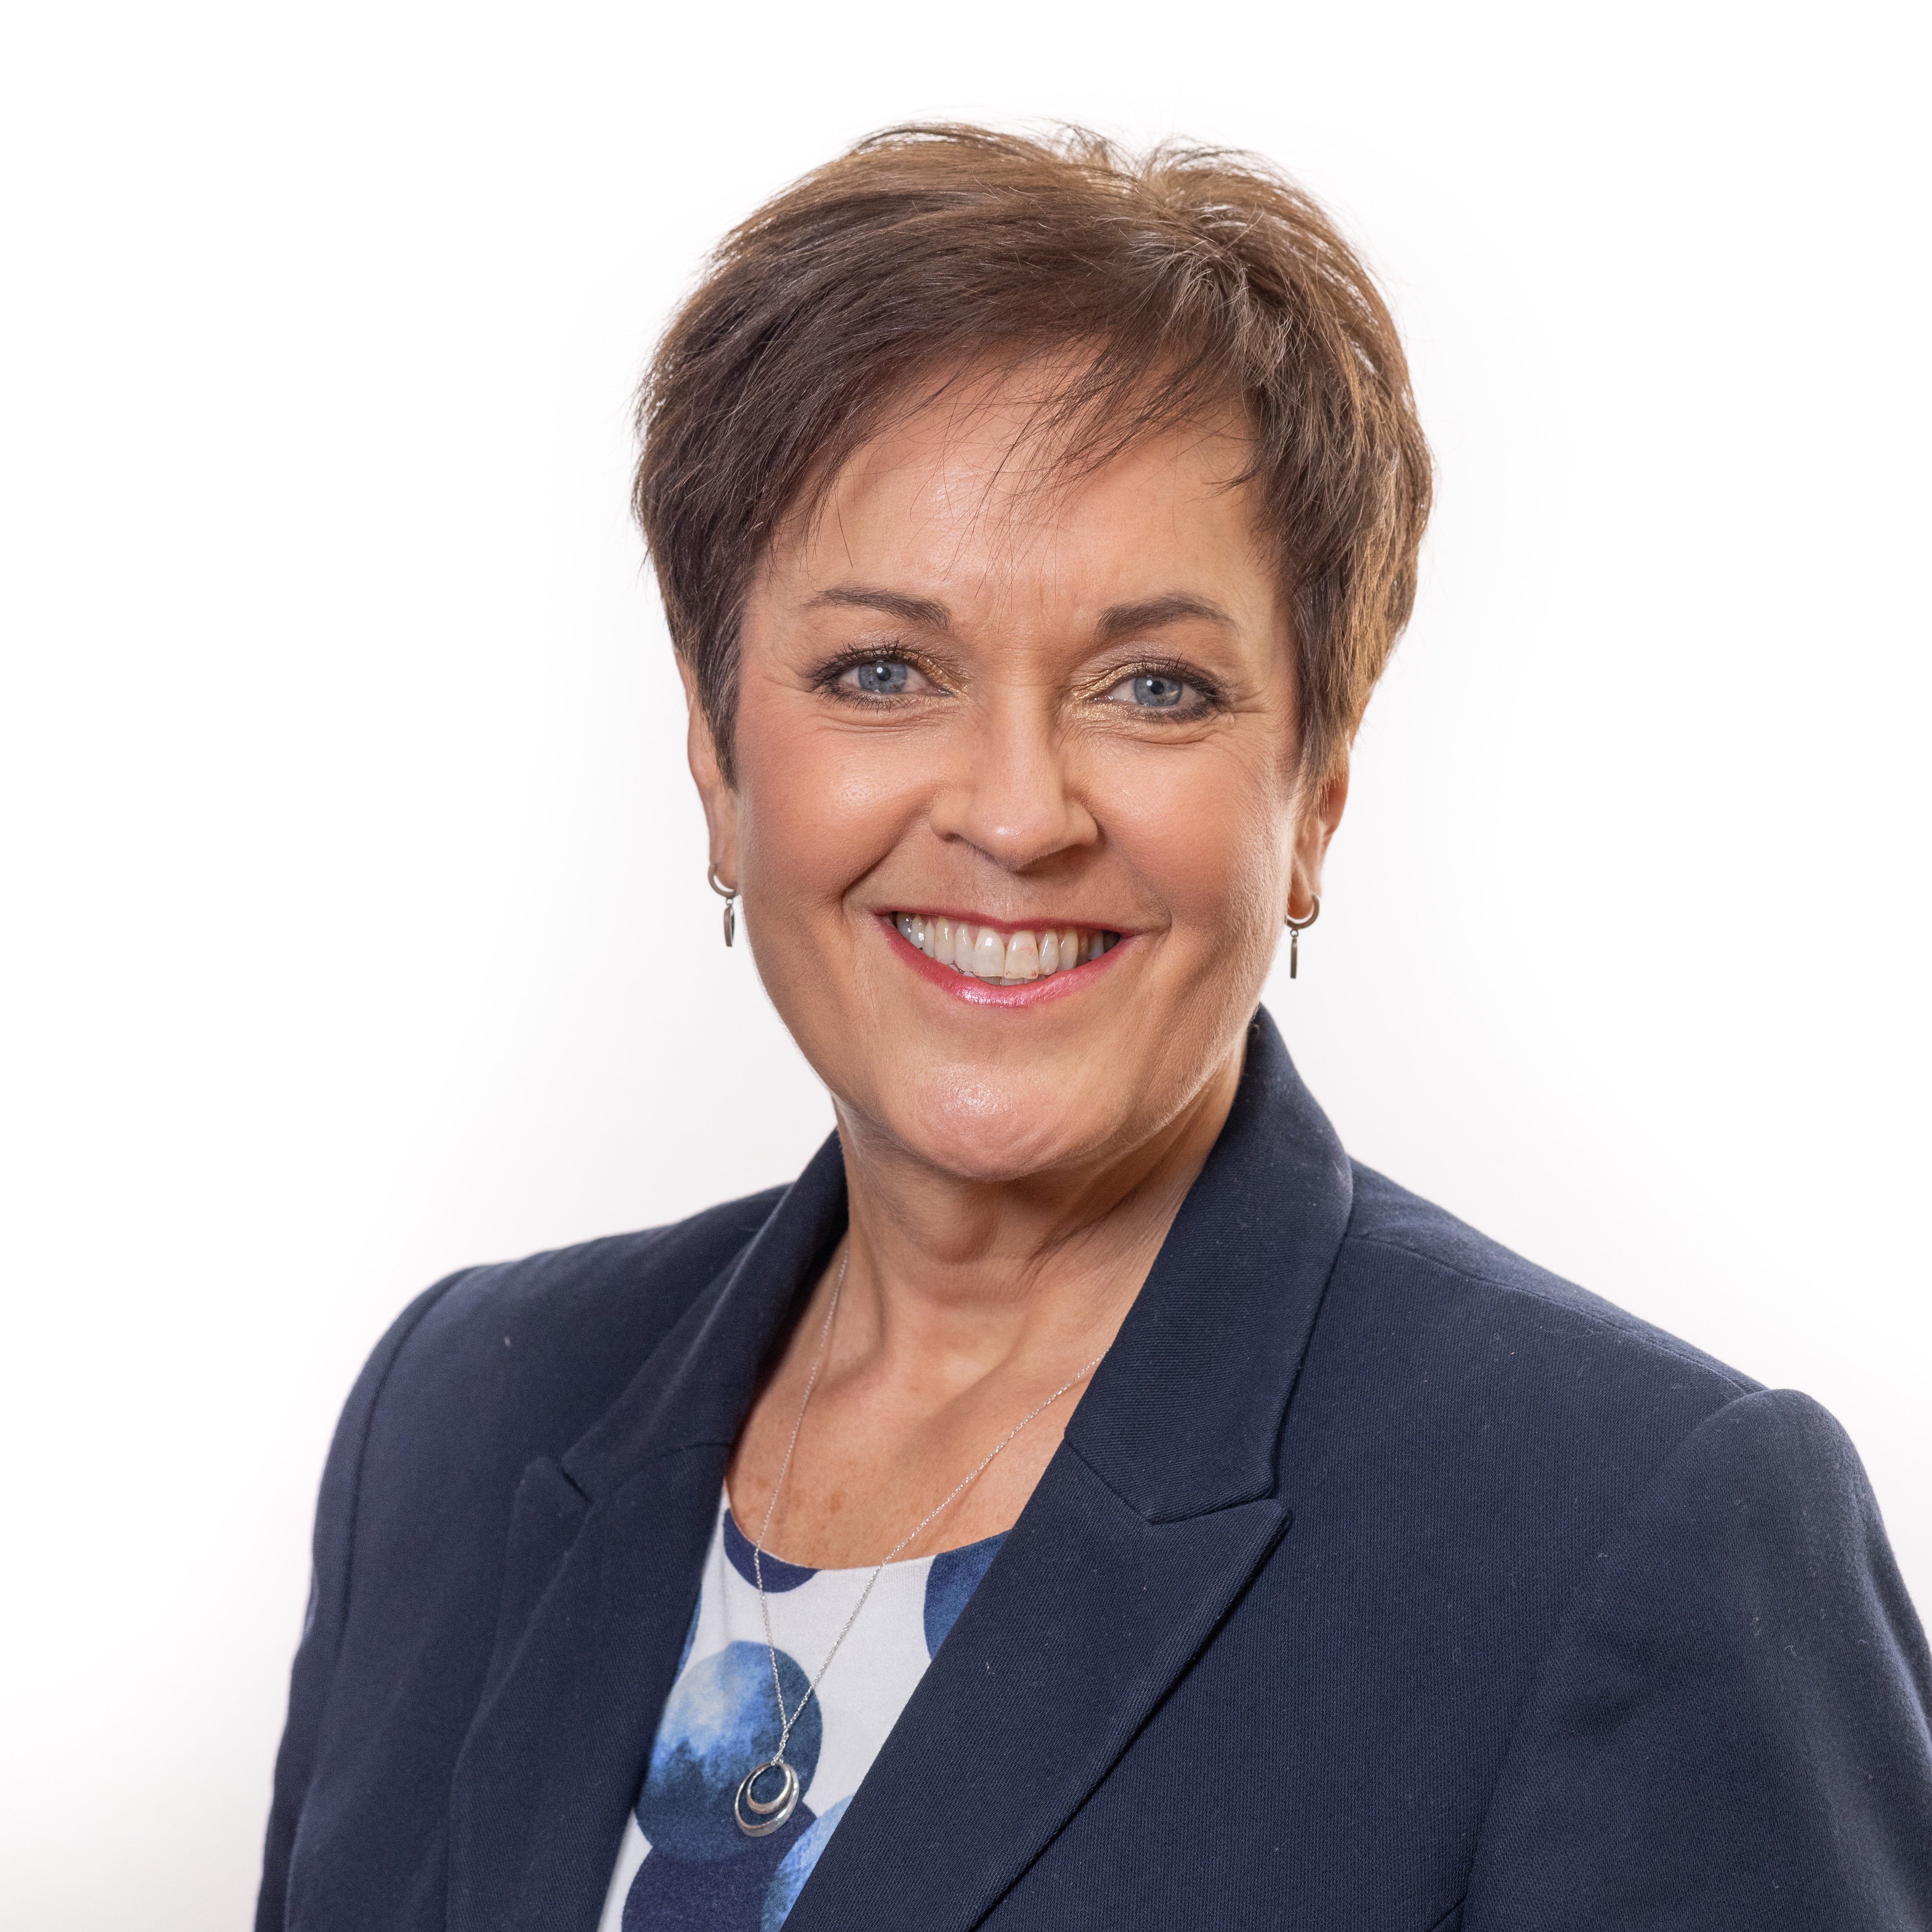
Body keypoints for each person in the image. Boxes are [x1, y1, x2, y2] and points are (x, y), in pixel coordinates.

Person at [256, 126, 1932, 1932]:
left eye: (1154, 688)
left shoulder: (1637, 1525)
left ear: (1317, 788)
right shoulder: (458, 1415)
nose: (1015, 812)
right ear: (718, 756)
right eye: (881, 670)